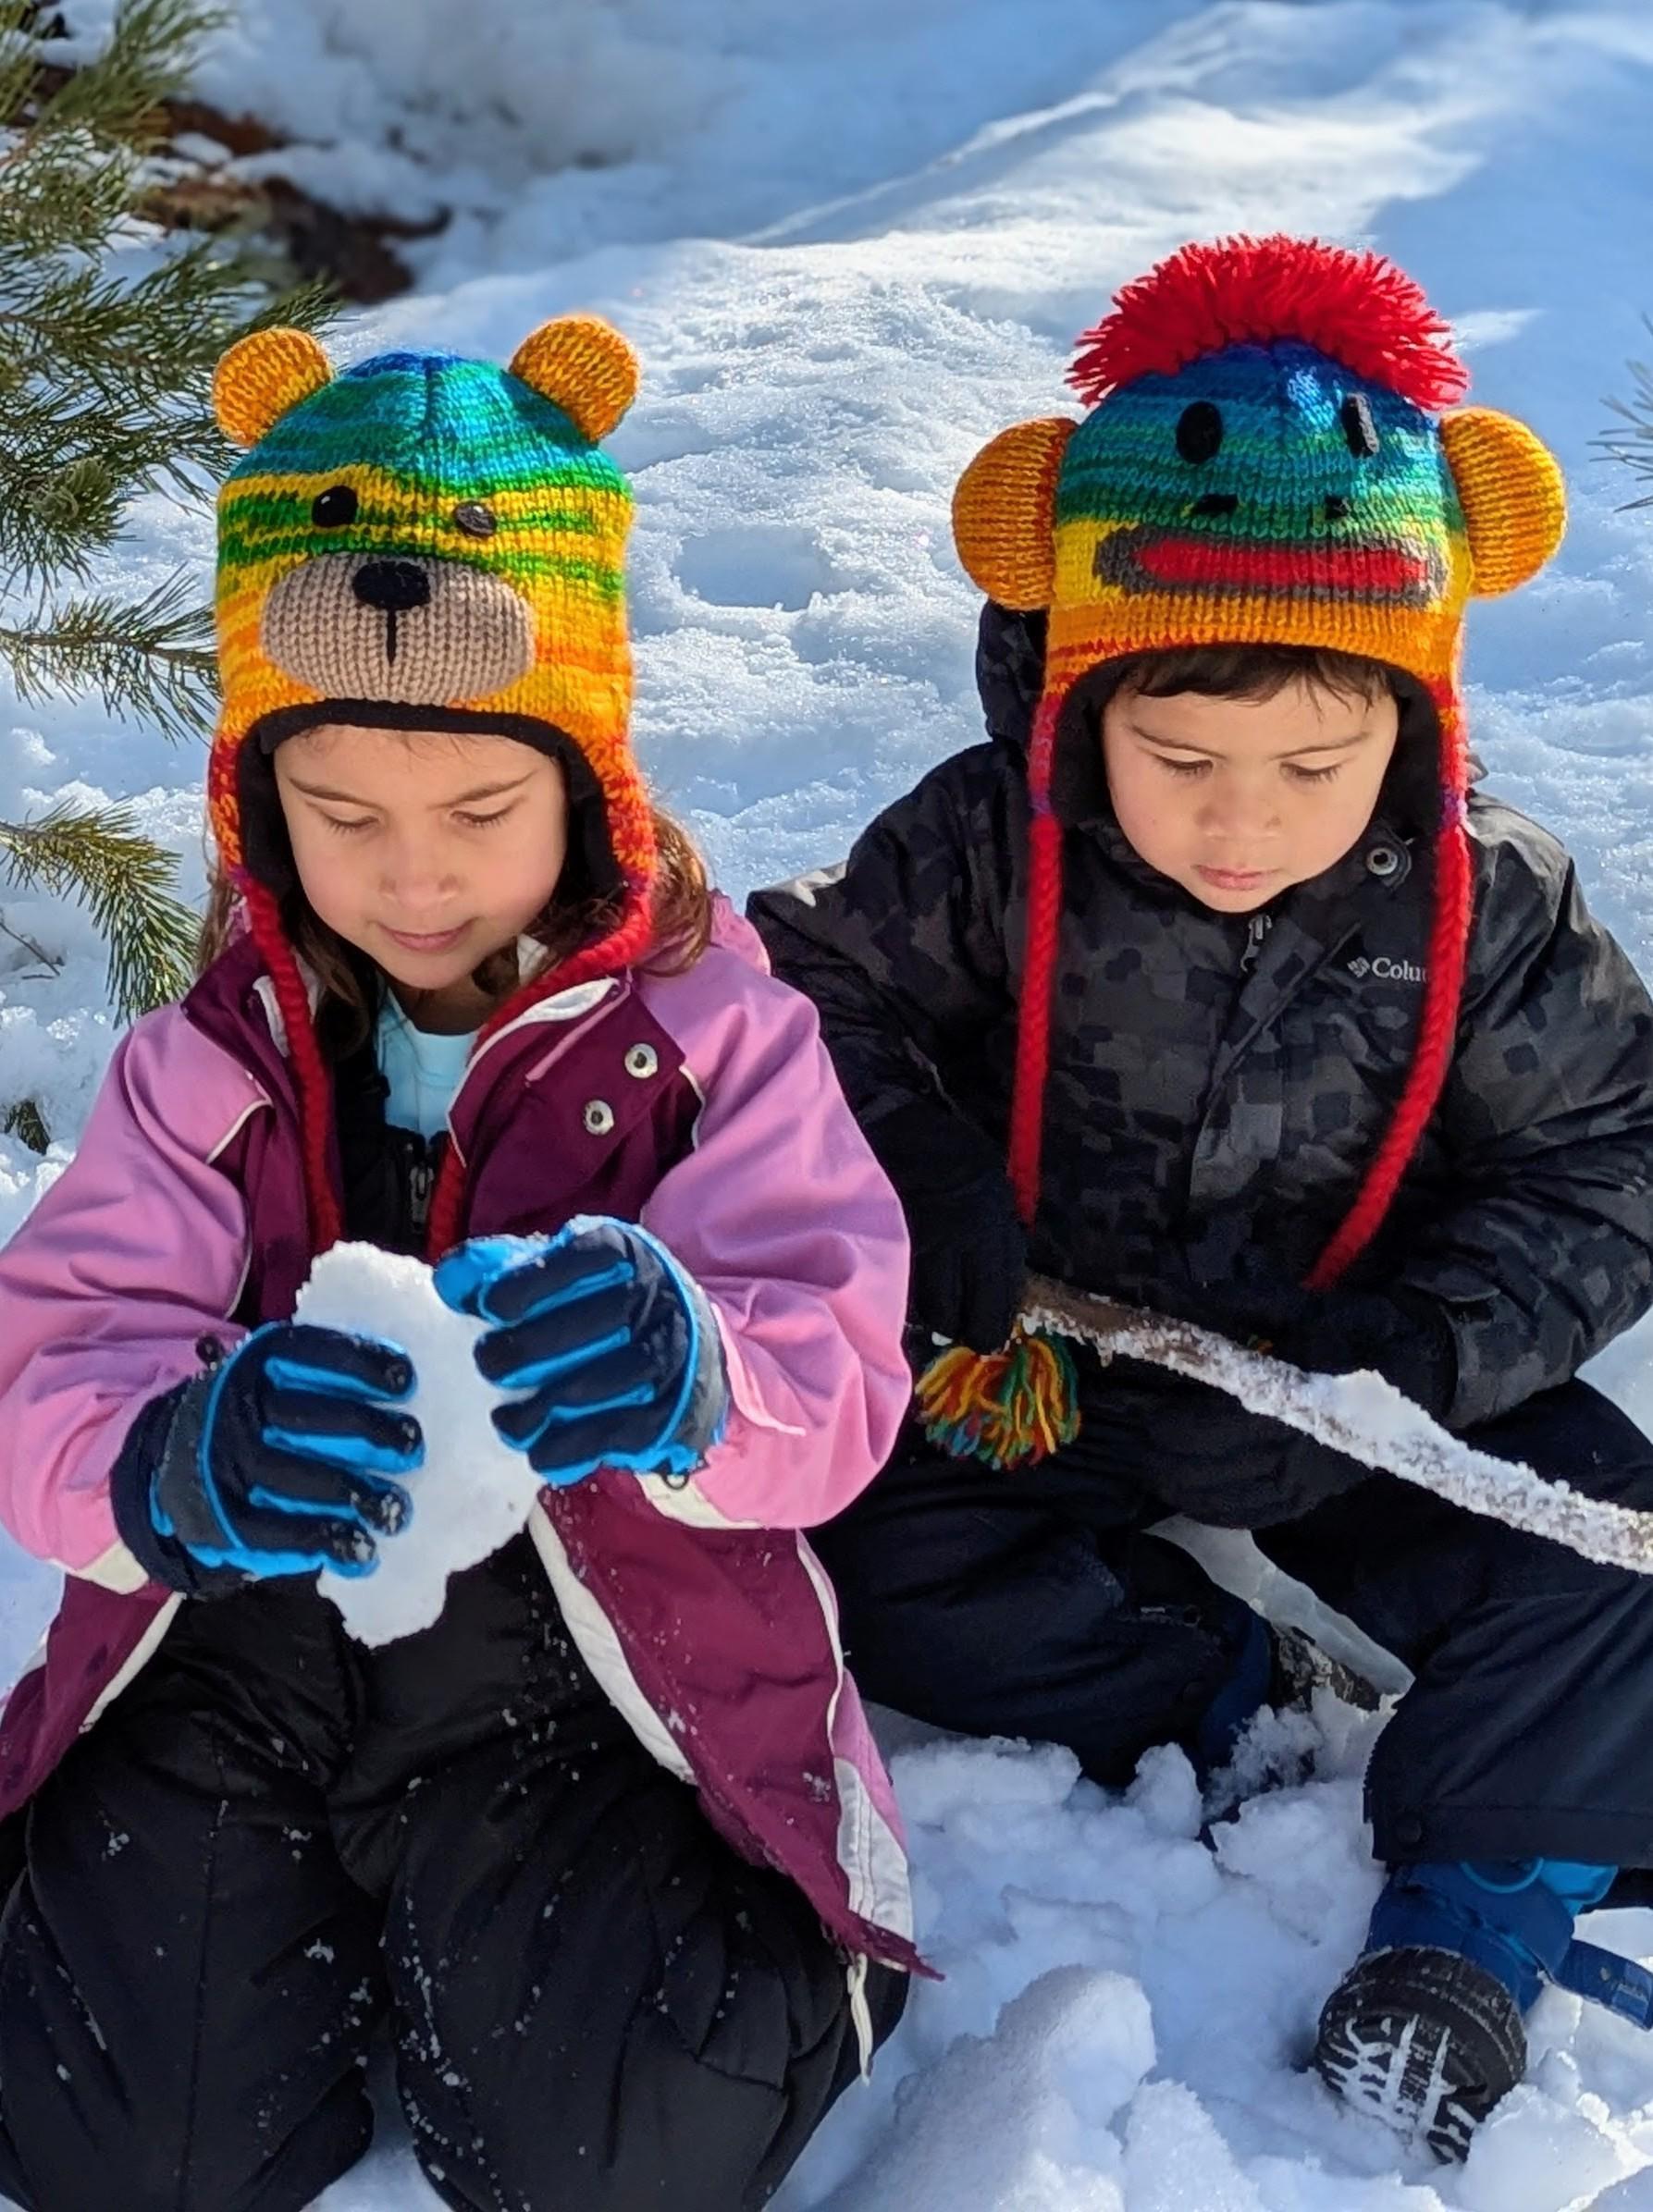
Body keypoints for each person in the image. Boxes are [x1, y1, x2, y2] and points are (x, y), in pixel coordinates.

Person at [748, 233, 1653, 2160]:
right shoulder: (991, 843)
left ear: (1413, 719)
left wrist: (1410, 1355)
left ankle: (1475, 1911)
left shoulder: (1488, 908)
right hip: (1046, 1367)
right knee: (882, 1563)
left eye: (1317, 762)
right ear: (1082, 702)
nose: (1244, 819)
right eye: (1179, 758)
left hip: (1359, 1370)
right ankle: (1237, 1691)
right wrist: (918, 1168)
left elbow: (1614, 1157)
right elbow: (809, 987)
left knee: (1605, 1552)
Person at [0, 316, 917, 2212]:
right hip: (248, 1654)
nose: (413, 875)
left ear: (585, 783)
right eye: (342, 817)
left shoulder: (714, 1045)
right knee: (126, 2149)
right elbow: (51, 1364)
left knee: (610, 2160)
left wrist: (695, 1374)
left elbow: (836, 1371)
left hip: (581, 1664)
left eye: (481, 812)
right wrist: (175, 1459)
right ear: (259, 805)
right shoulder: (209, 1065)